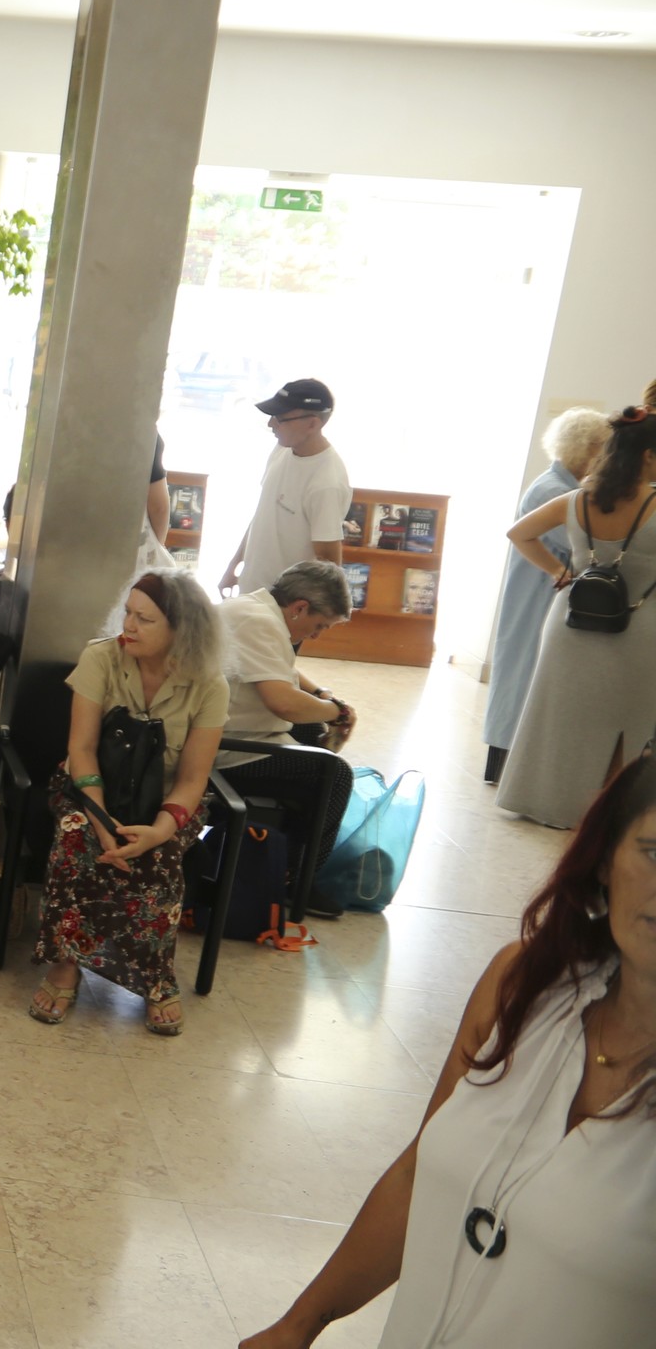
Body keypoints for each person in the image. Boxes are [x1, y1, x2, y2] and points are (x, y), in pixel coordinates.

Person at [238, 753, 656, 1349]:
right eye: (655, 853)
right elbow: (418, 1175)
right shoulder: (524, 985)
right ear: (605, 860)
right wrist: (297, 1326)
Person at [30, 572, 226, 1037]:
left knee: (161, 860)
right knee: (76, 841)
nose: (129, 626)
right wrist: (101, 822)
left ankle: (156, 977)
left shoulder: (209, 684)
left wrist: (159, 831)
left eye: (145, 619)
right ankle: (65, 965)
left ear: (181, 631)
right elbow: (81, 749)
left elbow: (193, 778)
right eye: (128, 613)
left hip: (165, 803)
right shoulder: (101, 657)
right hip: (91, 790)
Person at [498, 408, 656, 830]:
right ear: (648, 456)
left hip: (570, 620)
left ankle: (545, 802)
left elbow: (518, 533)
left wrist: (558, 570)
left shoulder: (577, 498)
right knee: (629, 719)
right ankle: (609, 815)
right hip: (639, 625)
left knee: (560, 716)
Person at [485, 408, 610, 782]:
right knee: (523, 677)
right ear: (586, 448)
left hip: (541, 597)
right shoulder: (554, 491)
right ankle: (507, 764)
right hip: (537, 600)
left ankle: (511, 762)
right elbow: (583, 544)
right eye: (603, 449)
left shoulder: (561, 486)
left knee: (524, 676)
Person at [221, 379, 349, 596]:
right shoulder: (282, 450)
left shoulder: (326, 484)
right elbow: (263, 515)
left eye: (280, 418)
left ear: (313, 424)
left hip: (282, 605)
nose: (271, 423)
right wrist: (233, 566)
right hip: (250, 592)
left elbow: (328, 567)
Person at [218, 560, 357, 755]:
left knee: (312, 726)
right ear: (300, 608)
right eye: (319, 626)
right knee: (336, 770)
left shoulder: (252, 606)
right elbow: (284, 704)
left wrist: (320, 694)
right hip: (226, 740)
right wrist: (340, 713)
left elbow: (275, 668)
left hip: (226, 722)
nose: (316, 636)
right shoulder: (259, 622)